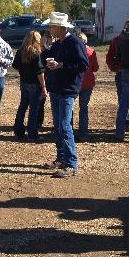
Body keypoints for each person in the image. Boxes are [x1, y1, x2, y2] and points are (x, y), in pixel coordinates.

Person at [44, 12, 89, 178]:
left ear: (59, 27)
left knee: (64, 126)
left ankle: (71, 164)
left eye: (51, 26)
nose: (50, 29)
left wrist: (61, 65)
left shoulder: (75, 42)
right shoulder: (59, 43)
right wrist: (48, 49)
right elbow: (45, 58)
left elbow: (83, 65)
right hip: (57, 89)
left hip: (68, 89)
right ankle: (62, 158)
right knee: (58, 125)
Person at [12, 31, 46, 141]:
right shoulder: (36, 53)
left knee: (23, 106)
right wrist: (44, 86)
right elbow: (40, 72)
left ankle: (18, 130)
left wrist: (23, 72)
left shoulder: (21, 51)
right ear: (36, 40)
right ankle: (32, 133)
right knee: (34, 109)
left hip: (24, 82)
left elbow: (15, 65)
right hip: (35, 84)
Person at [106, 19, 129, 131]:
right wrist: (115, 68)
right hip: (123, 73)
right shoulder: (117, 40)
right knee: (124, 100)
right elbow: (109, 56)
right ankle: (126, 123)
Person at [75, 32, 99, 142]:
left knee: (69, 107)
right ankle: (83, 133)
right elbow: (95, 68)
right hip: (88, 83)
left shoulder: (73, 51)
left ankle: (68, 131)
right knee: (84, 108)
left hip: (75, 82)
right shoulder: (91, 52)